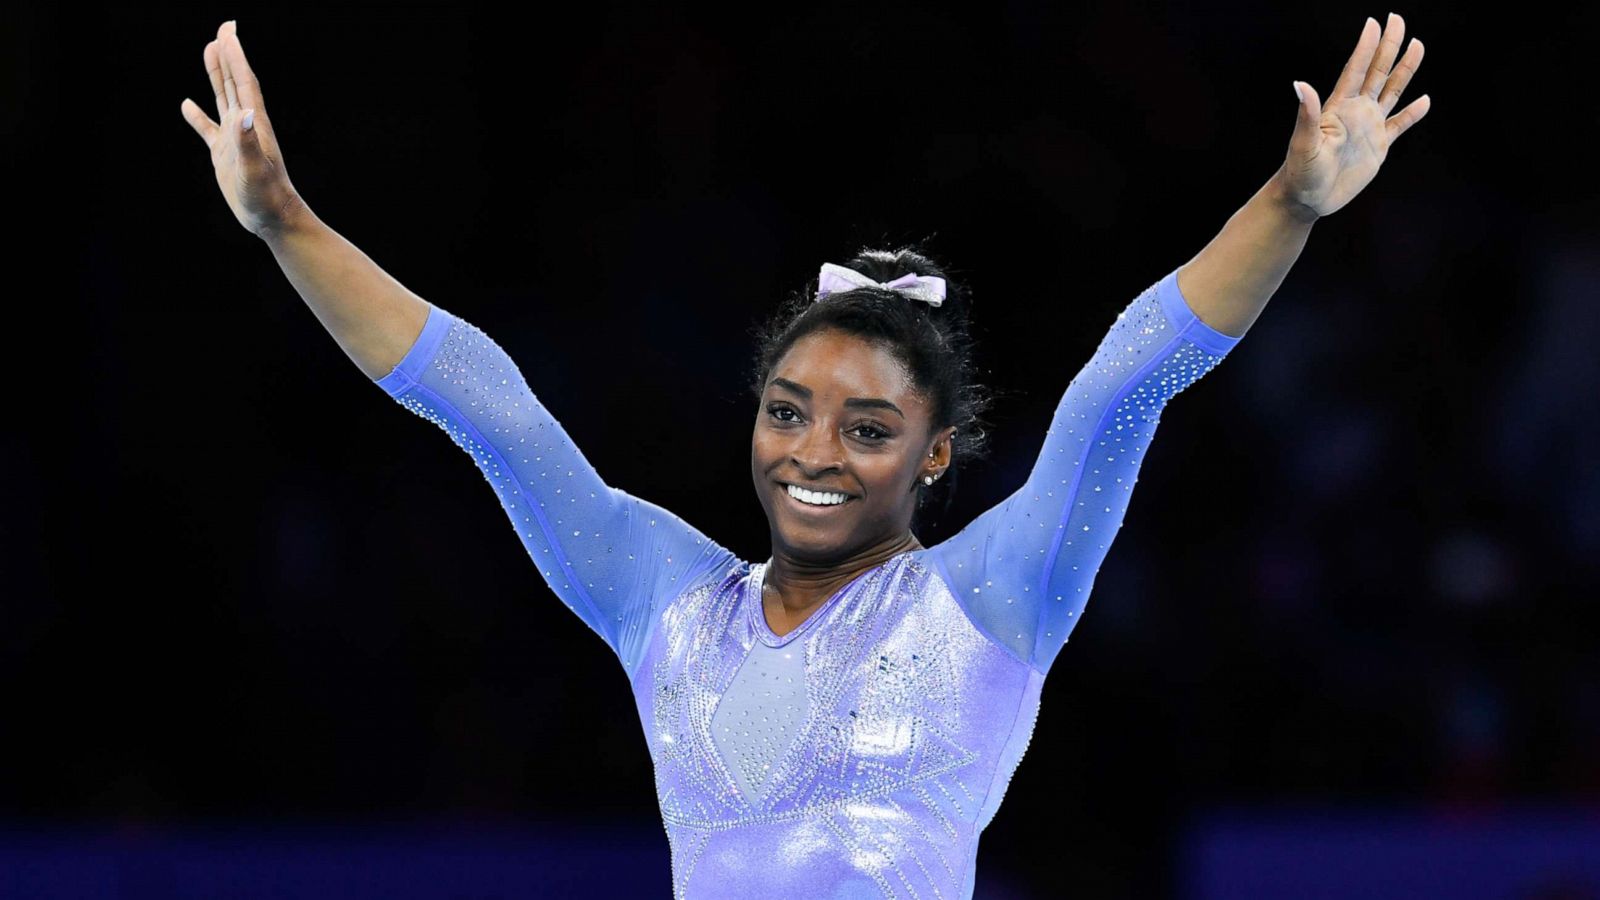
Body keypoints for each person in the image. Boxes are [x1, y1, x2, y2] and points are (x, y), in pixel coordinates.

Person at [181, 14, 1430, 898]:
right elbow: (485, 404)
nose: (811, 453)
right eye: (788, 411)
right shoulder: (662, 604)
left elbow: (1125, 382)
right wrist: (285, 222)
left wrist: (1291, 201)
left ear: (936, 457)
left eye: (866, 427)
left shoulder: (989, 597)